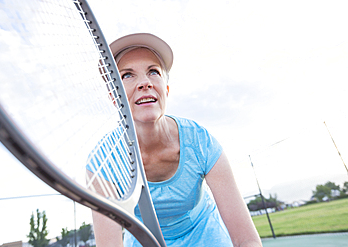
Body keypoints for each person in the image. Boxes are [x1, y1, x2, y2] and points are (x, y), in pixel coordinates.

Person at [90, 33, 262, 247]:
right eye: (127, 75)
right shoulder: (103, 163)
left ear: (166, 89)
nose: (145, 83)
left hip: (206, 237)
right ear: (114, 97)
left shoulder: (200, 141)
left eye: (153, 72)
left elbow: (246, 240)